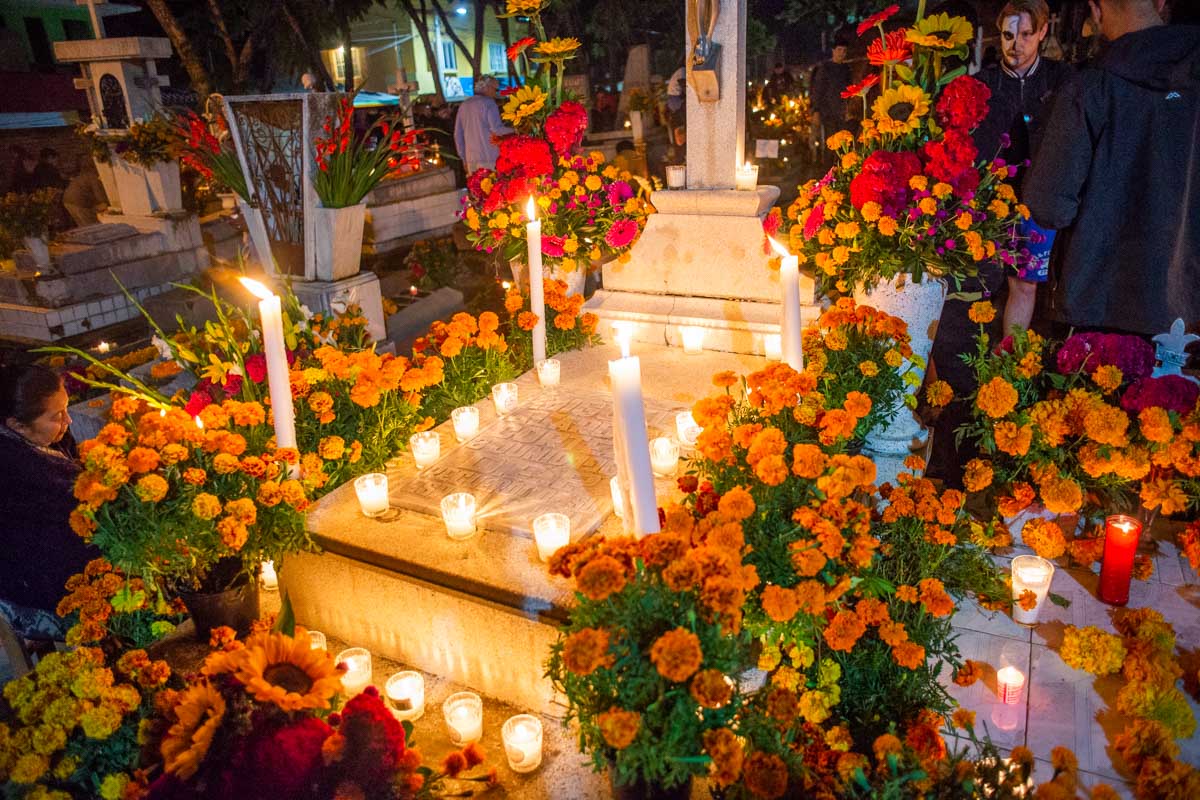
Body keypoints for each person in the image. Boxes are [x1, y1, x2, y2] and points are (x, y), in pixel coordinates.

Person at [1024, 0, 1200, 336]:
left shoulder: (1089, 89)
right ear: (1161, 3)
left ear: (1096, 9)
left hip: (1101, 310)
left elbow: (1049, 206)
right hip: (1190, 314)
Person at [972, 0, 1072, 334]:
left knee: (1025, 283)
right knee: (980, 283)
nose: (1017, 45)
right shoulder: (982, 84)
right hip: (990, 201)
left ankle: (1007, 363)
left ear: (1043, 32)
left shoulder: (1062, 80)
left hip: (1038, 198)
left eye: (1026, 34)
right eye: (1008, 35)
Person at [0, 363, 94, 642]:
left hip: (64, 543)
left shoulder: (45, 435)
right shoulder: (14, 467)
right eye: (57, 415)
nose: (69, 421)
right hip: (36, 587)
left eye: (66, 409)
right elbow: (76, 507)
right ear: (16, 424)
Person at [452, 75, 511, 175]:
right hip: (490, 158)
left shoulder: (464, 105)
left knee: (476, 188)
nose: (496, 93)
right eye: (495, 89)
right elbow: (496, 129)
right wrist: (516, 130)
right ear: (487, 87)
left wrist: (463, 158)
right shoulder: (489, 103)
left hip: (471, 159)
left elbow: (458, 135)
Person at [810, 29, 854, 150]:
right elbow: (817, 90)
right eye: (839, 50)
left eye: (844, 51)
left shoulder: (846, 69)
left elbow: (850, 89)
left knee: (843, 145)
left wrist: (848, 107)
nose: (842, 53)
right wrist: (816, 110)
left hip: (842, 112)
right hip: (828, 112)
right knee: (831, 144)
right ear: (833, 51)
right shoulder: (825, 68)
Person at [62, 155, 109, 227]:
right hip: (78, 201)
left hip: (68, 200)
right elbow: (99, 194)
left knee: (83, 225)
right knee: (91, 226)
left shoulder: (84, 173)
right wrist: (106, 203)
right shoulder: (93, 175)